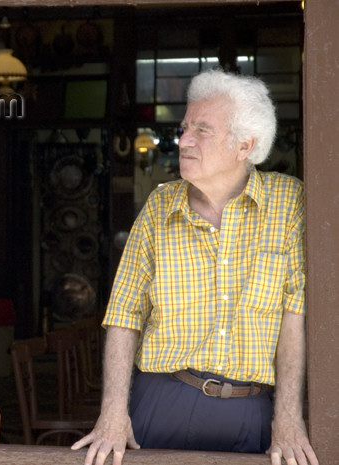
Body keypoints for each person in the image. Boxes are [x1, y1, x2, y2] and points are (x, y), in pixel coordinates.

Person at [72, 68, 318, 465]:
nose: (182, 140)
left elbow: (295, 315)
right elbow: (124, 314)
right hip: (163, 399)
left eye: (202, 130)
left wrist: (288, 416)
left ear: (245, 145)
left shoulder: (289, 204)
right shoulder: (159, 206)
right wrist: (113, 413)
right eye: (185, 128)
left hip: (252, 410)